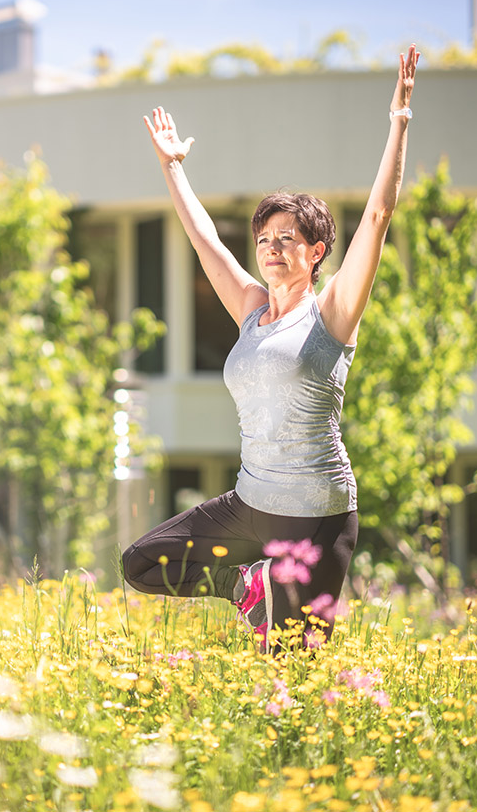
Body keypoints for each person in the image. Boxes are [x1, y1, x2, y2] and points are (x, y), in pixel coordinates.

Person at [121, 46, 420, 652]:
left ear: (316, 252)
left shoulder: (332, 313)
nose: (272, 248)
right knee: (142, 563)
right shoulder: (252, 311)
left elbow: (378, 216)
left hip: (315, 516)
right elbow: (205, 241)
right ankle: (244, 584)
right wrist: (173, 168)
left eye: (288, 238)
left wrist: (399, 120)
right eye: (263, 239)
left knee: (295, 663)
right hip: (250, 505)